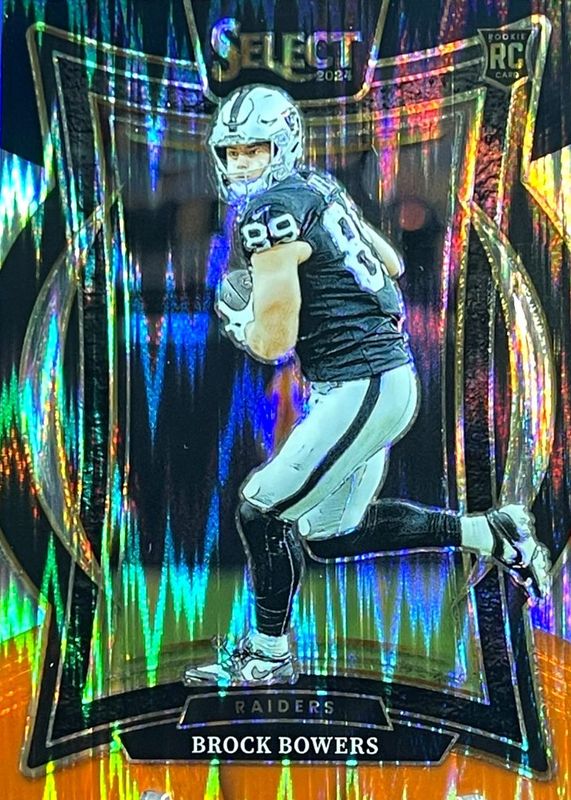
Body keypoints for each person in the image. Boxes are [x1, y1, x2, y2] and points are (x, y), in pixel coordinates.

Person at [182, 84, 551, 687]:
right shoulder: (317, 187)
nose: (242, 163)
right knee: (327, 533)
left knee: (260, 509)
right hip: (373, 379)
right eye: (233, 152)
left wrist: (242, 320)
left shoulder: (270, 212)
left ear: (282, 146)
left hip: (362, 382)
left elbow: (274, 342)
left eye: (254, 149)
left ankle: (269, 653)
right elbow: (392, 265)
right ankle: (492, 532)